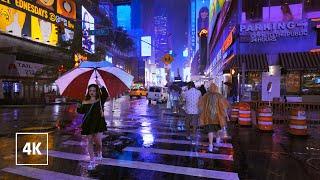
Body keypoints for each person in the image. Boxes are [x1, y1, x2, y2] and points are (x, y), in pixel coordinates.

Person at [77, 79, 108, 170]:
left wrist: (100, 85)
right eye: (90, 90)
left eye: (94, 90)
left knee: (98, 141)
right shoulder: (85, 101)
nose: (92, 92)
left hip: (99, 123)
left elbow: (105, 94)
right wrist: (78, 107)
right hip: (88, 124)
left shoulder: (100, 100)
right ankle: (92, 161)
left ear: (96, 91)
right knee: (89, 141)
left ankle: (100, 152)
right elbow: (81, 112)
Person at [199, 83, 229, 152]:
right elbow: (224, 106)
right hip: (218, 116)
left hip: (208, 117)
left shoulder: (206, 96)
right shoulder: (219, 96)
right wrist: (226, 115)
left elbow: (200, 105)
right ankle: (218, 140)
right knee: (218, 129)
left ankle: (210, 146)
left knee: (210, 131)